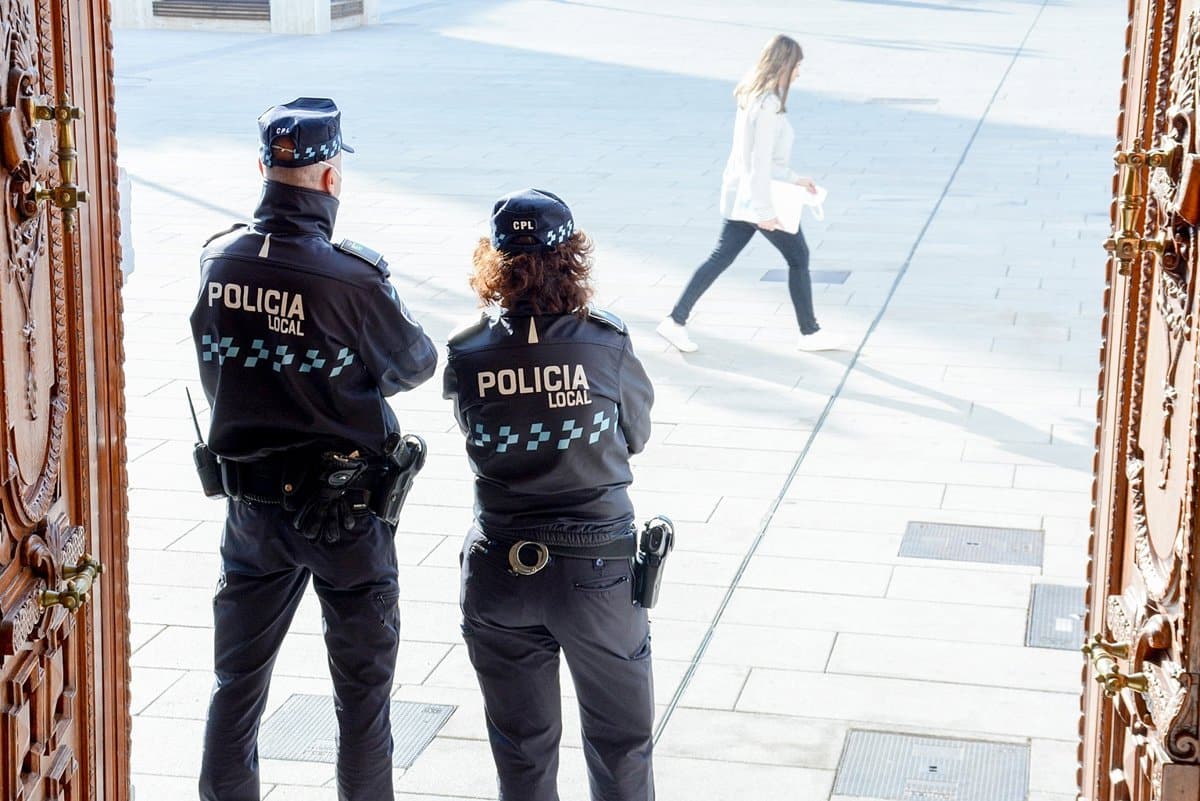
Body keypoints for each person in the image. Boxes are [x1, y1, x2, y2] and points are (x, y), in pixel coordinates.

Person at [189, 97, 438, 801]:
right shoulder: (351, 278)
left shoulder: (218, 259)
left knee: (235, 684)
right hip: (347, 516)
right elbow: (414, 364)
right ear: (331, 178)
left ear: (264, 166)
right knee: (362, 698)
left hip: (253, 513)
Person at [444, 188, 657, 801]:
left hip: (500, 567)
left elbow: (479, 434)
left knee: (522, 753)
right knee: (621, 744)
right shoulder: (608, 343)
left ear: (495, 261)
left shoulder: (466, 351)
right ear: (573, 258)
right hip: (597, 571)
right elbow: (634, 435)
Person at [657, 34, 840, 353]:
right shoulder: (767, 104)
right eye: (797, 65)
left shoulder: (754, 96)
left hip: (744, 195)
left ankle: (675, 321)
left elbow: (766, 160)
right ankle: (809, 333)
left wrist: (797, 179)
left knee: (721, 257)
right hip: (757, 198)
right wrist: (764, 211)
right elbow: (759, 162)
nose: (799, 71)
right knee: (799, 257)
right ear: (783, 65)